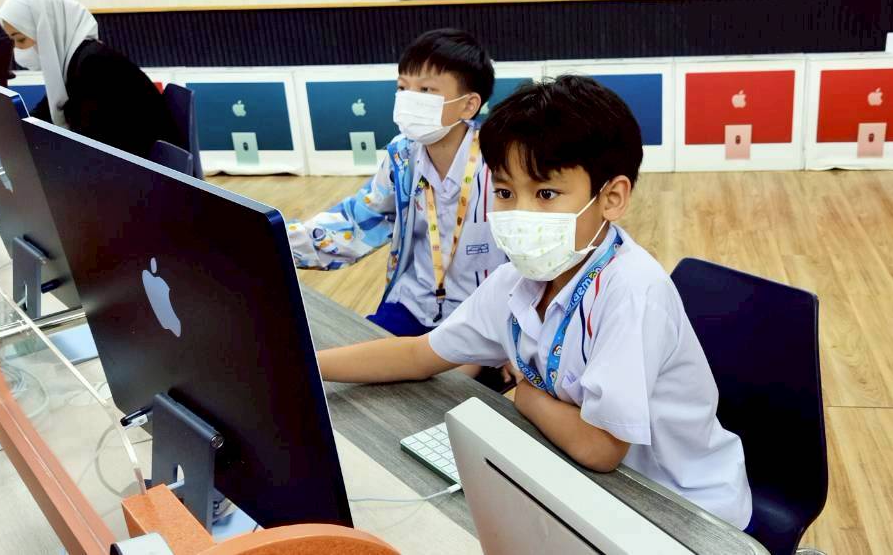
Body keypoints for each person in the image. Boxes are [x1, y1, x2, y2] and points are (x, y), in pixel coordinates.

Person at [317, 76, 753, 529]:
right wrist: (307, 366)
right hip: (588, 483)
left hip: (684, 510)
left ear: (611, 198)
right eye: (505, 193)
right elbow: (418, 354)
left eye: (546, 194)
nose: (520, 212)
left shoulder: (632, 291)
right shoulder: (516, 281)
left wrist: (526, 395)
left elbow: (600, 448)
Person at [286, 29, 509, 389]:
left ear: (468, 105)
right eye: (403, 87)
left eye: (426, 90)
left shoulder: (501, 165)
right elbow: (358, 221)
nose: (408, 99)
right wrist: (276, 241)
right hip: (411, 304)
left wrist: (516, 337)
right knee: (348, 377)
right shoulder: (402, 155)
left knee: (437, 397)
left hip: (478, 320)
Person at [0, 0, 178, 160]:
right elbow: (45, 114)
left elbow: (91, 141)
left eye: (21, 39)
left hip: (150, 168)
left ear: (47, 30)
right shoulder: (74, 61)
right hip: (131, 159)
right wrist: (15, 132)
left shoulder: (94, 64)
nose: (17, 50)